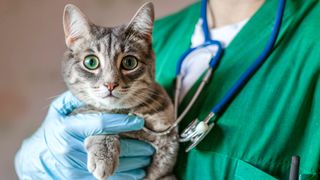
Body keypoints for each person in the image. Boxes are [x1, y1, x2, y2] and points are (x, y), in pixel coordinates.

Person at [15, 0, 320, 179]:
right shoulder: (163, 31)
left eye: (128, 63)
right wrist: (34, 163)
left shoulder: (312, 33)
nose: (110, 80)